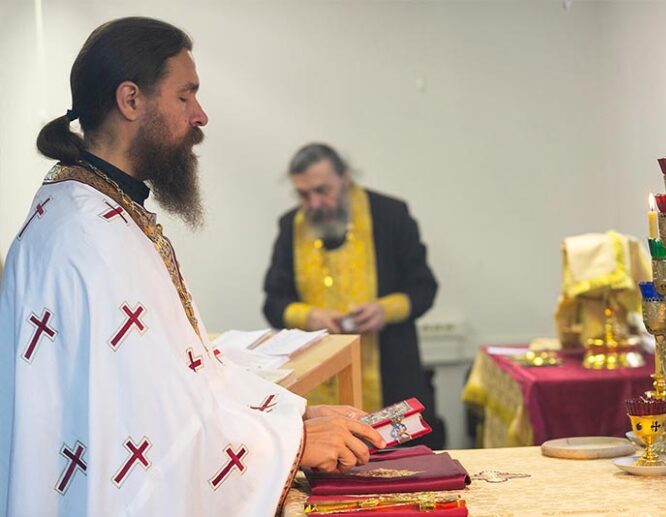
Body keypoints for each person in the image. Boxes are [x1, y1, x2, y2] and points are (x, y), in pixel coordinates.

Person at [0, 17, 384, 516]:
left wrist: (293, 416)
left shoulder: (102, 209)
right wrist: (291, 445)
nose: (200, 115)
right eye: (185, 96)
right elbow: (143, 428)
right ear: (131, 100)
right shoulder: (87, 235)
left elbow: (183, 374)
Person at [263, 143, 444, 448]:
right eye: (304, 195)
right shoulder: (290, 225)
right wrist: (312, 316)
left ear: (345, 178)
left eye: (323, 190)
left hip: (391, 371)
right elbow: (273, 303)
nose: (315, 203)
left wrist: (383, 311)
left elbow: (424, 288)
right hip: (318, 378)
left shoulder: (390, 215)